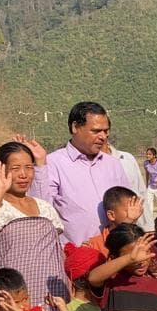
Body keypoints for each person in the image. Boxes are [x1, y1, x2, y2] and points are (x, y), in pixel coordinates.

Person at [0, 142, 69, 311]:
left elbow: (58, 255)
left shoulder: (45, 208)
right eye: (15, 168)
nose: (23, 175)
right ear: (1, 169)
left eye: (29, 167)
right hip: (13, 301)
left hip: (52, 298)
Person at [29, 101, 131, 245]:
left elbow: (129, 206)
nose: (103, 136)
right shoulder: (53, 164)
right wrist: (39, 166)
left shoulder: (113, 164)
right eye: (96, 131)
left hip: (115, 255)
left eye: (105, 131)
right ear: (75, 127)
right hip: (75, 258)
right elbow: (41, 210)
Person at [83, 186, 144, 257]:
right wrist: (128, 221)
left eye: (137, 209)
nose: (136, 214)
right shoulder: (94, 246)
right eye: (130, 210)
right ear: (111, 215)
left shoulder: (142, 239)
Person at [106, 140, 152, 231]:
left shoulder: (127, 158)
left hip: (138, 227)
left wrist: (149, 225)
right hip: (113, 232)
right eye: (96, 131)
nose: (101, 135)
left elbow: (141, 193)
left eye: (104, 130)